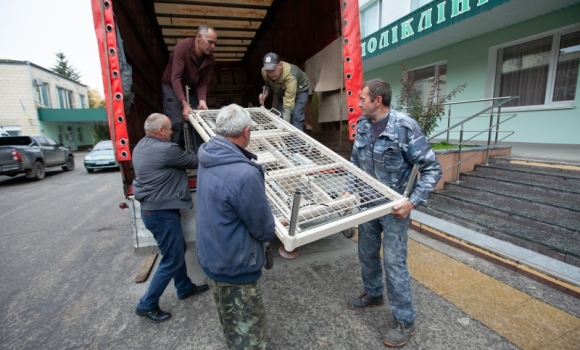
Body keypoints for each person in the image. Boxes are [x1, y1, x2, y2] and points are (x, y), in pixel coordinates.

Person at [344, 79, 442, 347]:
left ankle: (405, 320)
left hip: (395, 208)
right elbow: (355, 161)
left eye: (363, 99)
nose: (358, 102)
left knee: (394, 263)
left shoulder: (405, 127)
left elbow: (433, 169)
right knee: (366, 252)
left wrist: (412, 202)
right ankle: (374, 295)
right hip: (368, 203)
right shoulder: (363, 124)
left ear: (378, 100)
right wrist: (347, 190)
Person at [196, 104, 276, 349]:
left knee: (230, 322)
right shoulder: (244, 174)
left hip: (212, 258)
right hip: (236, 266)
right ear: (246, 131)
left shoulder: (207, 156)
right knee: (249, 333)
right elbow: (263, 229)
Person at [132, 113, 209, 323]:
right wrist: (211, 144)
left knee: (174, 252)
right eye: (170, 129)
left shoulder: (140, 146)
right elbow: (197, 160)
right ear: (161, 131)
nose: (172, 133)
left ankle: (184, 287)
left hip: (152, 212)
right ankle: (146, 304)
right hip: (161, 214)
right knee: (173, 258)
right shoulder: (167, 150)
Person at [161, 24, 217, 151]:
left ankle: (201, 156)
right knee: (177, 123)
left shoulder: (210, 59)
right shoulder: (182, 47)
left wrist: (202, 100)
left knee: (198, 122)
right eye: (210, 42)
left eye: (215, 43)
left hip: (191, 88)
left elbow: (204, 82)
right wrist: (184, 105)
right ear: (198, 37)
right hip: (171, 86)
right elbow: (175, 78)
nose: (213, 46)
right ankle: (175, 156)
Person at [258, 52, 309, 131]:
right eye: (268, 71)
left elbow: (288, 105)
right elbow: (268, 85)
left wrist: (284, 128)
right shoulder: (264, 72)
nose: (271, 74)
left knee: (295, 117)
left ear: (280, 65)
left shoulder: (290, 77)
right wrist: (265, 94)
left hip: (300, 91)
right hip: (283, 91)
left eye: (273, 70)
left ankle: (297, 142)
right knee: (280, 115)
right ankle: (285, 141)